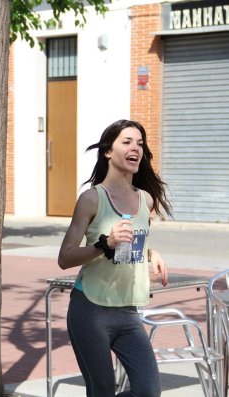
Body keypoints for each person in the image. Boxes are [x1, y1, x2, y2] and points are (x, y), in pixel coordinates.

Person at [58, 119, 172, 397]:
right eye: (127, 141)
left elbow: (126, 249)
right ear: (108, 151)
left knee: (148, 391)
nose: (136, 148)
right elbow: (65, 257)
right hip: (91, 310)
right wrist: (103, 244)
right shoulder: (92, 198)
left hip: (128, 311)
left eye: (140, 143)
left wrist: (149, 253)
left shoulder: (145, 200)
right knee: (102, 391)